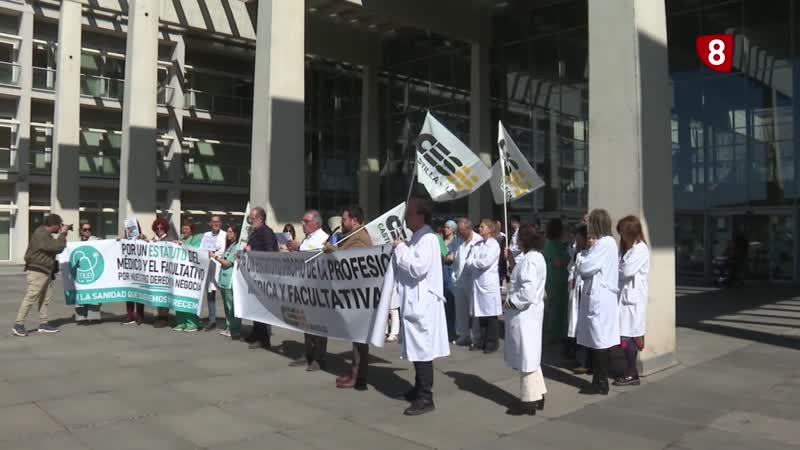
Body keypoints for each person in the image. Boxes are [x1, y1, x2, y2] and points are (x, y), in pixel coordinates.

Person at [391, 197, 450, 416]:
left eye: (409, 213)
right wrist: (403, 246)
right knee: (416, 349)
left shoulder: (428, 238)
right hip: (414, 302)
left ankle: (426, 397)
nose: (405, 217)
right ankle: (418, 389)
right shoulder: (417, 237)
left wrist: (400, 249)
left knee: (423, 350)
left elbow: (417, 267)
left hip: (422, 304)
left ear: (421, 215)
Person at [324, 206, 373, 390]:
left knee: (360, 339)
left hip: (360, 295)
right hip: (353, 293)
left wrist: (332, 251)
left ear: (354, 220)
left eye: (344, 220)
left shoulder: (360, 237)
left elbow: (352, 260)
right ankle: (355, 372)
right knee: (356, 337)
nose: (341, 223)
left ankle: (359, 378)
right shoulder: (352, 235)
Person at [503, 224, 547, 416]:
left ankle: (529, 400)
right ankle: (538, 394)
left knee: (526, 357)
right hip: (531, 314)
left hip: (525, 314)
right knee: (531, 355)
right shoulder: (536, 257)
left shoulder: (530, 260)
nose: (517, 241)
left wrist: (511, 302)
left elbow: (527, 292)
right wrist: (511, 260)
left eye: (519, 238)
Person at [576, 209, 620, 396]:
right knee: (598, 339)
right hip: (601, 296)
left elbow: (586, 267)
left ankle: (601, 383)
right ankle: (598, 380)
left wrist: (581, 257)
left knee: (599, 339)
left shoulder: (604, 243)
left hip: (600, 297)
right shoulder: (607, 243)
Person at [13, 214, 69, 337]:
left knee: (45, 298)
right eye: (59, 225)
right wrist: (63, 234)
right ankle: (18, 324)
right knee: (31, 297)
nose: (59, 227)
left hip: (45, 271)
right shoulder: (41, 234)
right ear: (53, 225)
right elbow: (57, 247)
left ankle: (43, 324)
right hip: (37, 271)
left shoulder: (45, 234)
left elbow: (52, 247)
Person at [287, 209, 330, 371]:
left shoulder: (324, 238)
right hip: (304, 287)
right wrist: (296, 250)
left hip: (317, 289)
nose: (302, 223)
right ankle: (308, 354)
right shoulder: (308, 238)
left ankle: (319, 359)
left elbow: (319, 258)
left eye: (306, 221)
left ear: (316, 223)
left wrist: (300, 249)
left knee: (318, 326)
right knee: (306, 324)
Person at [615, 215, 650, 387]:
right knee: (624, 334)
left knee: (629, 335)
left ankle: (632, 373)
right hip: (624, 297)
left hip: (633, 300)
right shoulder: (625, 249)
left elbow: (626, 271)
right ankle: (629, 370)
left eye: (623, 232)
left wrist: (618, 268)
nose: (621, 236)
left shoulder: (640, 249)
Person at [463, 219, 502, 353]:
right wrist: (475, 262)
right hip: (478, 283)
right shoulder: (477, 245)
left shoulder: (494, 245)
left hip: (488, 284)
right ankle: (482, 341)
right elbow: (468, 261)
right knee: (481, 314)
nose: (479, 229)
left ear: (490, 229)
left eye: (482, 227)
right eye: (479, 227)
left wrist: (474, 262)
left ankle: (492, 343)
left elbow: (485, 262)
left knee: (490, 315)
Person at [243, 206, 279, 349]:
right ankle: (256, 333)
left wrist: (253, 251)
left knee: (261, 308)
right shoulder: (255, 231)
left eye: (252, 219)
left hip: (264, 276)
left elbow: (270, 254)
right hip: (254, 274)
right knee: (254, 306)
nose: (250, 221)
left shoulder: (267, 232)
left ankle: (264, 339)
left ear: (260, 219)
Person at [452, 218, 482, 346]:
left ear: (469, 229)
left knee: (474, 311)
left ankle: (476, 337)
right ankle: (464, 335)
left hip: (472, 281)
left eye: (462, 230)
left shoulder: (479, 240)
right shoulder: (459, 240)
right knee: (461, 310)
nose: (460, 233)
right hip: (459, 281)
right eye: (459, 230)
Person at [211, 224, 242, 339]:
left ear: (236, 234)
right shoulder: (229, 246)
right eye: (228, 232)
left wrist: (215, 257)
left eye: (230, 232)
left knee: (232, 306)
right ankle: (229, 326)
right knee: (226, 306)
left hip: (230, 281)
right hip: (223, 280)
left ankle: (235, 328)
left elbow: (228, 263)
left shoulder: (237, 246)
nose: (228, 234)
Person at [567, 224, 591, 374]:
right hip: (576, 291)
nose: (577, 241)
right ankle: (579, 359)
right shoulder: (578, 254)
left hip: (585, 293)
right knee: (576, 327)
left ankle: (586, 362)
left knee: (584, 328)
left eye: (579, 238)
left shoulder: (591, 254)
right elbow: (571, 268)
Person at [543, 218, 570, 346]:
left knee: (561, 308)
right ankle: (554, 335)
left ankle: (559, 333)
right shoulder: (551, 245)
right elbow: (557, 263)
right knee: (555, 308)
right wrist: (569, 259)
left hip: (560, 279)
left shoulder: (558, 244)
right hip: (555, 279)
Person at [200, 215, 227, 332]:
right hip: (209, 267)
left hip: (221, 266)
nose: (215, 223)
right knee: (210, 295)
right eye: (213, 222)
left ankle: (229, 321)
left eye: (218, 222)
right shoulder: (206, 235)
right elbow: (201, 248)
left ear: (221, 223)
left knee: (226, 296)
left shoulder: (225, 234)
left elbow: (224, 249)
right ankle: (212, 320)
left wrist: (213, 252)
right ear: (210, 223)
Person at [174, 221, 202, 332]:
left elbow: (195, 252)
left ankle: (192, 323)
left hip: (190, 274)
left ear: (191, 230)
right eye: (183, 228)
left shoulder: (195, 240)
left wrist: (183, 246)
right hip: (179, 273)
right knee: (178, 298)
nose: (184, 231)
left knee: (188, 298)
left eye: (186, 229)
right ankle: (180, 322)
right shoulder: (180, 238)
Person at [74, 222, 102, 325]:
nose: (87, 231)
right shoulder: (77, 243)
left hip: (93, 271)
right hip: (80, 273)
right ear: (81, 231)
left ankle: (94, 317)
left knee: (93, 295)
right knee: (81, 295)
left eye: (89, 229)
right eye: (85, 229)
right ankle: (81, 317)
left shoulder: (95, 240)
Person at [120, 221, 147, 325]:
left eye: (132, 228)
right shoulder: (125, 240)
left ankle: (140, 316)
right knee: (129, 295)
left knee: (139, 295)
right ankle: (129, 315)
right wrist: (120, 239)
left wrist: (142, 239)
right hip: (129, 271)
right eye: (128, 228)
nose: (130, 230)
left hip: (140, 270)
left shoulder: (142, 238)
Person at [151, 217, 176, 328]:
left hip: (166, 272)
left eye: (161, 228)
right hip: (156, 272)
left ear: (165, 228)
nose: (159, 229)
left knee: (165, 294)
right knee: (158, 294)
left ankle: (164, 317)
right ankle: (160, 315)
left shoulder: (169, 239)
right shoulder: (153, 239)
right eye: (157, 228)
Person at [441, 220, 461, 341]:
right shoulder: (441, 241)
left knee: (452, 305)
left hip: (450, 274)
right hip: (440, 275)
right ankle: (444, 332)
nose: (445, 229)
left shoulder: (456, 242)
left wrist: (443, 258)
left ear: (453, 229)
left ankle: (454, 331)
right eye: (445, 227)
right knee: (442, 306)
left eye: (448, 227)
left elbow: (451, 258)